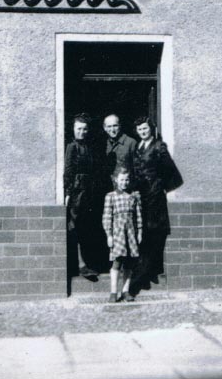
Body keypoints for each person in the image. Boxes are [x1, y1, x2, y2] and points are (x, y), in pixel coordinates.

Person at [130, 116, 183, 296]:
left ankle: (143, 277)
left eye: (145, 129)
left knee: (152, 235)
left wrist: (160, 188)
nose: (142, 132)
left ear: (151, 129)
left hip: (154, 200)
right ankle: (146, 274)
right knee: (143, 234)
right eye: (139, 130)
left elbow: (172, 172)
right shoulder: (139, 147)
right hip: (141, 199)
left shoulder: (159, 147)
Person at [64, 113, 99, 278]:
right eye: (79, 128)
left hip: (86, 192)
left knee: (84, 228)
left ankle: (84, 263)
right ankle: (79, 264)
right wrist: (68, 193)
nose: (82, 132)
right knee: (74, 227)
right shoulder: (72, 147)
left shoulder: (87, 146)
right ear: (73, 129)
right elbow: (68, 171)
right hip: (76, 192)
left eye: (85, 129)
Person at [102, 166, 143, 303]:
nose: (124, 182)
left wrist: (140, 231)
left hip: (131, 233)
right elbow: (107, 217)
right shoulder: (110, 196)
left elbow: (138, 216)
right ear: (116, 180)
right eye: (121, 180)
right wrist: (109, 235)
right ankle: (113, 292)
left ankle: (125, 291)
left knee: (129, 263)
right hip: (118, 233)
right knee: (117, 262)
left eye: (127, 180)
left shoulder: (133, 197)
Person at [103, 114, 136, 182]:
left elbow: (137, 168)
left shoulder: (131, 143)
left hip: (125, 187)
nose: (112, 129)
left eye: (115, 126)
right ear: (104, 128)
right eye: (109, 126)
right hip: (108, 187)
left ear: (120, 125)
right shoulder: (102, 144)